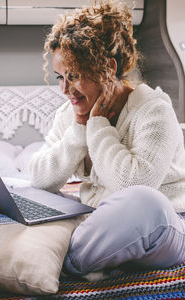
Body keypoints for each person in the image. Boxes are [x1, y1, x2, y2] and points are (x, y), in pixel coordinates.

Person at [29, 0, 185, 277]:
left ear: (109, 68)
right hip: (103, 224)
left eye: (74, 76)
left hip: (165, 227)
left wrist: (98, 125)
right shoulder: (70, 113)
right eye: (59, 77)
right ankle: (73, 252)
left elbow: (135, 185)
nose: (65, 90)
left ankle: (61, 264)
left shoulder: (153, 110)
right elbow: (40, 178)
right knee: (29, 192)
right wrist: (78, 129)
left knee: (147, 204)